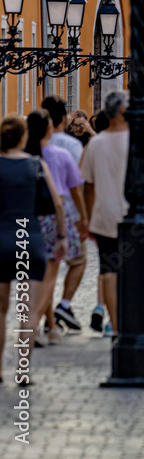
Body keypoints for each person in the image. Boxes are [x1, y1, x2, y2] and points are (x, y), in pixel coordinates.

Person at [81, 91, 144, 335]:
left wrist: (88, 218)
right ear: (123, 112)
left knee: (109, 270)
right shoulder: (137, 144)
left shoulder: (95, 144)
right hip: (134, 219)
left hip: (104, 217)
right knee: (132, 270)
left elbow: (87, 187)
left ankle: (115, 324)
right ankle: (129, 318)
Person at [0, 115, 64, 383]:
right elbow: (58, 204)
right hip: (30, 240)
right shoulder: (36, 165)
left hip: (0, 240)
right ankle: (22, 371)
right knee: (27, 311)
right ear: (24, 137)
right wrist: (61, 237)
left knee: (0, 311)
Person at [25, 109, 88, 344]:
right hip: (53, 219)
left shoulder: (22, 156)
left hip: (26, 220)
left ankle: (50, 326)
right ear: (50, 129)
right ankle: (34, 328)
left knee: (35, 277)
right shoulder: (60, 155)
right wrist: (82, 219)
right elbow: (74, 191)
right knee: (49, 278)